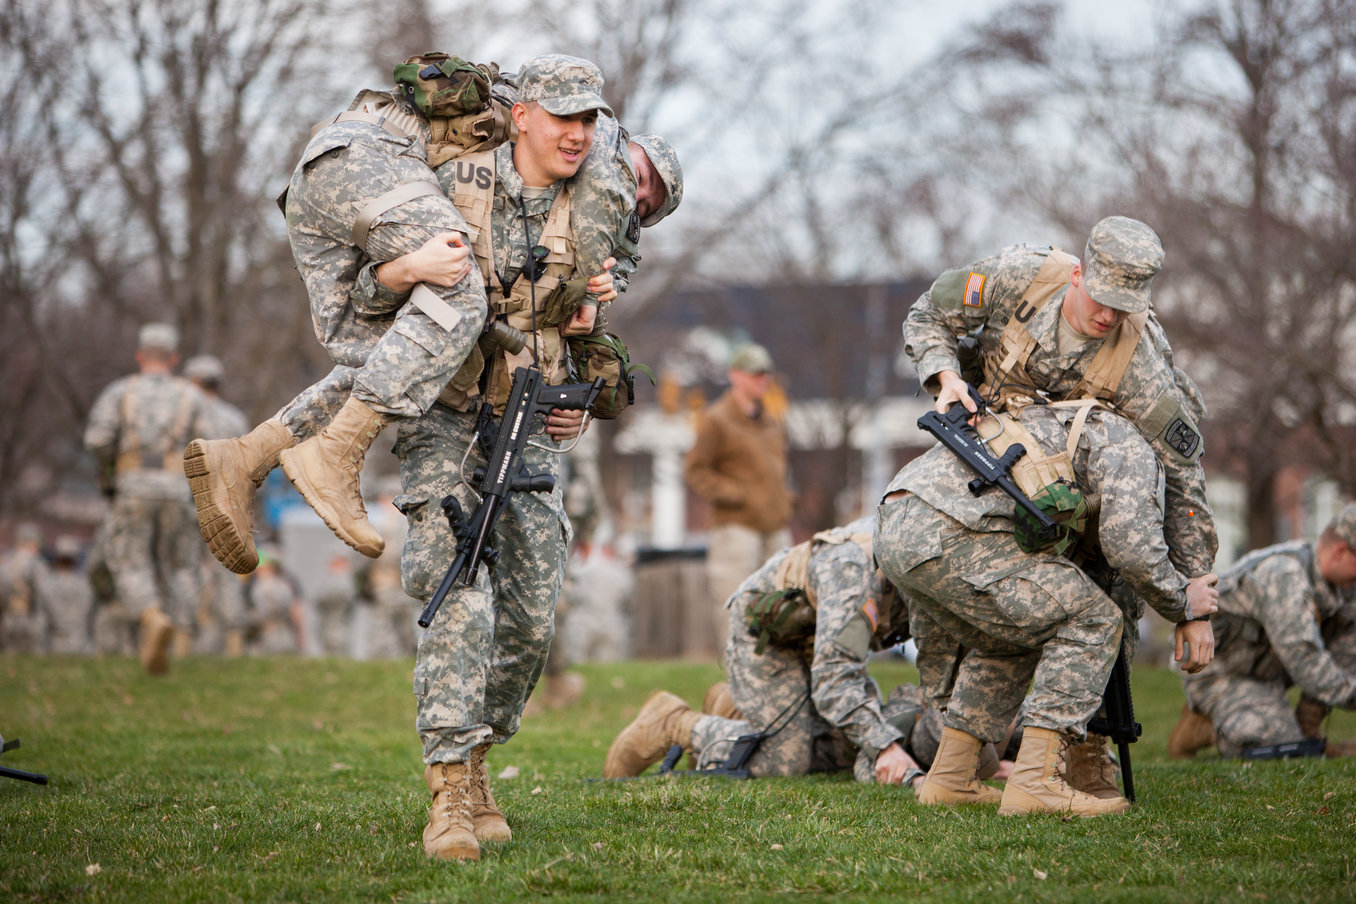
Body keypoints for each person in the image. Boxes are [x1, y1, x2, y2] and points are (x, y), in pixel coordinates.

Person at [185, 53, 681, 575]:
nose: (636, 195)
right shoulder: (598, 144)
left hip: (325, 181)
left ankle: (243, 459)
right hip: (364, 163)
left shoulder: (547, 184)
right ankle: (333, 457)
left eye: (648, 206)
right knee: (459, 296)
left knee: (400, 352)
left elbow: (373, 302)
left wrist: (404, 271)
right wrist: (584, 292)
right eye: (643, 177)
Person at [389, 53, 627, 862]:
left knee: (529, 617)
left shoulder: (591, 204)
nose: (579, 133)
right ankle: (449, 788)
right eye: (563, 116)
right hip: (445, 417)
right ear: (520, 114)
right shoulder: (448, 177)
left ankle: (482, 757)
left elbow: (588, 306)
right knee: (458, 587)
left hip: (528, 419)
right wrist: (409, 266)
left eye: (590, 119)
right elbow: (368, 282)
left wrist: (585, 368)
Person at [875, 403, 1218, 816]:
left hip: (894, 519)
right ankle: (1036, 781)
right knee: (1093, 617)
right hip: (952, 527)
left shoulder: (1056, 417)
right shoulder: (1127, 441)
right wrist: (1183, 601)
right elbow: (1131, 548)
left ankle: (949, 777)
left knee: (1011, 637)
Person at [903, 216, 1217, 585]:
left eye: (1124, 306)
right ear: (1077, 275)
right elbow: (929, 313)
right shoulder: (1021, 279)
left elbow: (1183, 478)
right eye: (1102, 299)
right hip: (989, 453)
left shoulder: (1140, 362)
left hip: (1075, 515)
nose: (1108, 316)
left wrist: (1196, 586)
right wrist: (947, 376)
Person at [605, 516, 968, 788]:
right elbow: (833, 679)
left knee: (844, 751)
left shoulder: (925, 565)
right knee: (786, 761)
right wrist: (887, 748)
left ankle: (734, 707)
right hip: (770, 638)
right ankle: (674, 722)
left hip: (820, 643)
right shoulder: (852, 571)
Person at [1169, 503, 1356, 759]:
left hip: (1267, 672)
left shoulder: (1338, 587)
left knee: (1351, 624)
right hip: (1221, 673)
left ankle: (1306, 728)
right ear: (1341, 552)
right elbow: (1306, 660)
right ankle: (1204, 723)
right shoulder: (1284, 576)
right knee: (1277, 743)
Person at [84, 323, 208, 675]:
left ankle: (151, 617)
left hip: (133, 485)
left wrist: (109, 474)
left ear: (140, 355)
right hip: (177, 488)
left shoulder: (120, 393)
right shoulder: (192, 396)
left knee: (130, 561)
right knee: (180, 565)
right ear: (173, 358)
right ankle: (180, 640)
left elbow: (97, 439)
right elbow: (213, 444)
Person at [683, 342, 795, 654]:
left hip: (775, 528)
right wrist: (732, 493)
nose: (762, 380)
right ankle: (737, 679)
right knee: (735, 607)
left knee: (783, 606)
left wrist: (786, 499)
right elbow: (695, 471)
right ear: (735, 375)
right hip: (736, 530)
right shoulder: (715, 420)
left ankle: (774, 677)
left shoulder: (772, 420)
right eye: (755, 373)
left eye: (765, 374)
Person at [183, 355, 251, 655]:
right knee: (226, 572)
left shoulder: (185, 414)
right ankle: (233, 643)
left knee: (185, 568)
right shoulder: (235, 419)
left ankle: (182, 641)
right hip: (228, 505)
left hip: (189, 504)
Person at [33, 536, 95, 655]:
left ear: (56, 558)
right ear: (76, 559)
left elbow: (40, 622)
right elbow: (92, 619)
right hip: (83, 647)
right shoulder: (87, 585)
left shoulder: (46, 584)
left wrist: (39, 651)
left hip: (55, 647)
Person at [1, 523, 46, 653]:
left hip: (8, 618)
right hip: (29, 618)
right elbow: (44, 594)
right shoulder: (37, 563)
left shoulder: (5, 562)